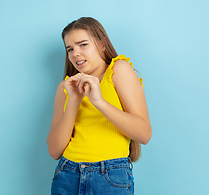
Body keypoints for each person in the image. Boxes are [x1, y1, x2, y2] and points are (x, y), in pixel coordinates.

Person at [47, 17, 152, 194]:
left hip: (110, 175)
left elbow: (144, 134)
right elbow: (54, 151)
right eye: (70, 49)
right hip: (67, 174)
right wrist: (74, 101)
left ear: (102, 44)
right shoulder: (65, 87)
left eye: (83, 45)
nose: (75, 54)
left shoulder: (118, 70)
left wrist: (99, 102)